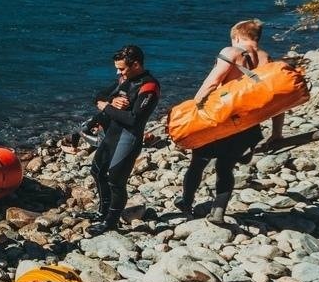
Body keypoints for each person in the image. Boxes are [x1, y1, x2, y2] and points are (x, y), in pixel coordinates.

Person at [175, 19, 281, 223]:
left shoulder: (231, 53)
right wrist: (277, 133)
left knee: (198, 163)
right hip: (248, 126)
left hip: (222, 120)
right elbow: (276, 100)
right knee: (225, 168)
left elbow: (212, 82)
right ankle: (218, 211)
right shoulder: (268, 59)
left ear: (237, 36)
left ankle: (186, 202)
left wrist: (192, 111)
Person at [87, 45, 160, 234]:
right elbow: (99, 96)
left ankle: (111, 222)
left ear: (135, 64)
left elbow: (134, 120)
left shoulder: (149, 87)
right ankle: (102, 212)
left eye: (121, 68)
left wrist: (106, 108)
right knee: (97, 172)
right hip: (111, 136)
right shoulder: (123, 79)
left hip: (128, 139)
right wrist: (110, 103)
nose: (118, 72)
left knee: (116, 182)